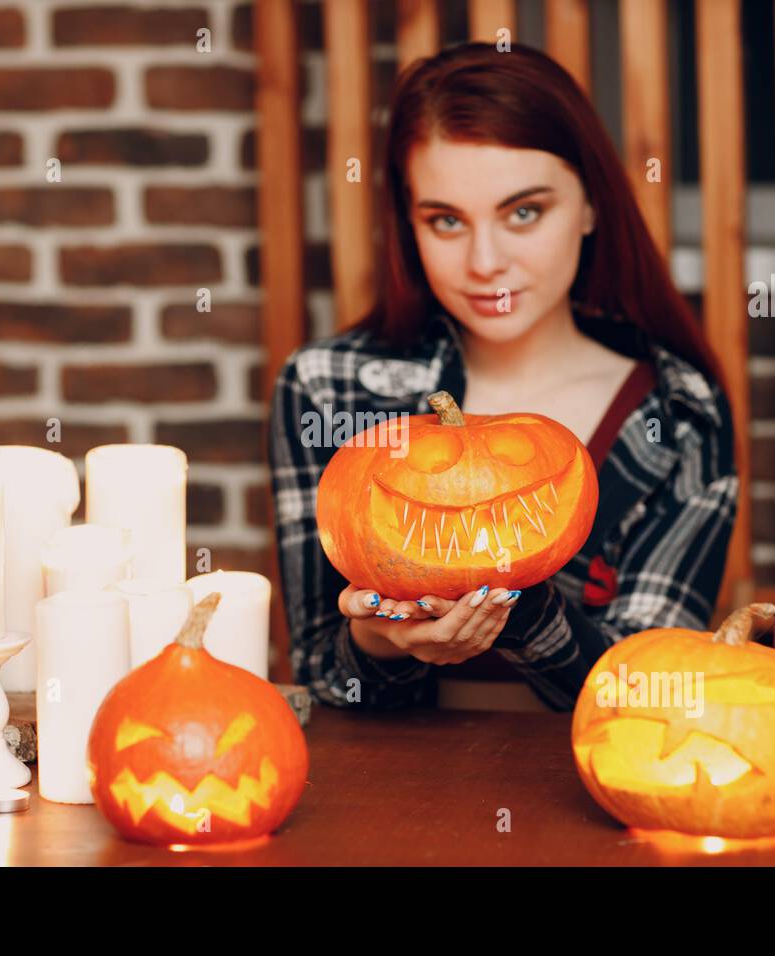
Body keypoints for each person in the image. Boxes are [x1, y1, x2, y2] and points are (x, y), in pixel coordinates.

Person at [268, 42, 738, 712]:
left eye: (524, 212)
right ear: (409, 226)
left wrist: (519, 616)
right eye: (446, 220)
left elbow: (647, 693)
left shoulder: (678, 412)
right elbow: (320, 677)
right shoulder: (326, 389)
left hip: (592, 797)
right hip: (383, 799)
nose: (485, 261)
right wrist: (377, 643)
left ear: (589, 207)